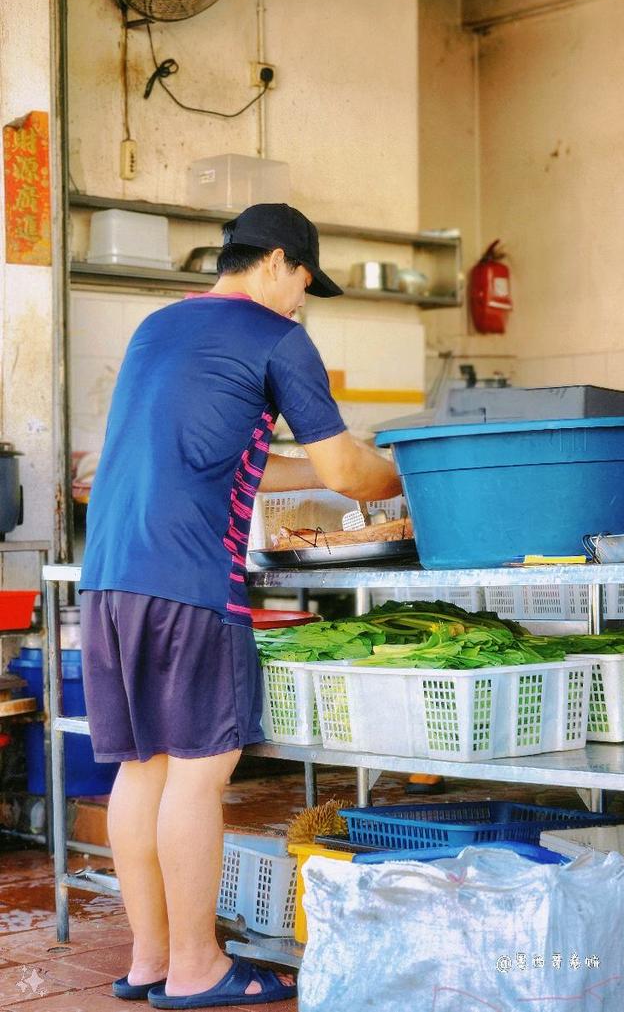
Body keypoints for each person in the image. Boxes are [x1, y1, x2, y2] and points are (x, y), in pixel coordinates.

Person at [79, 202, 402, 1010]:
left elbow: (248, 459)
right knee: (199, 770)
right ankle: (197, 966)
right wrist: (411, 471)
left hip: (109, 577)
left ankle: (151, 959)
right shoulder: (276, 336)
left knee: (141, 767)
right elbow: (351, 473)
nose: (302, 297)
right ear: (279, 261)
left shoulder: (159, 326)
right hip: (190, 582)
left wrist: (338, 468)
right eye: (303, 280)